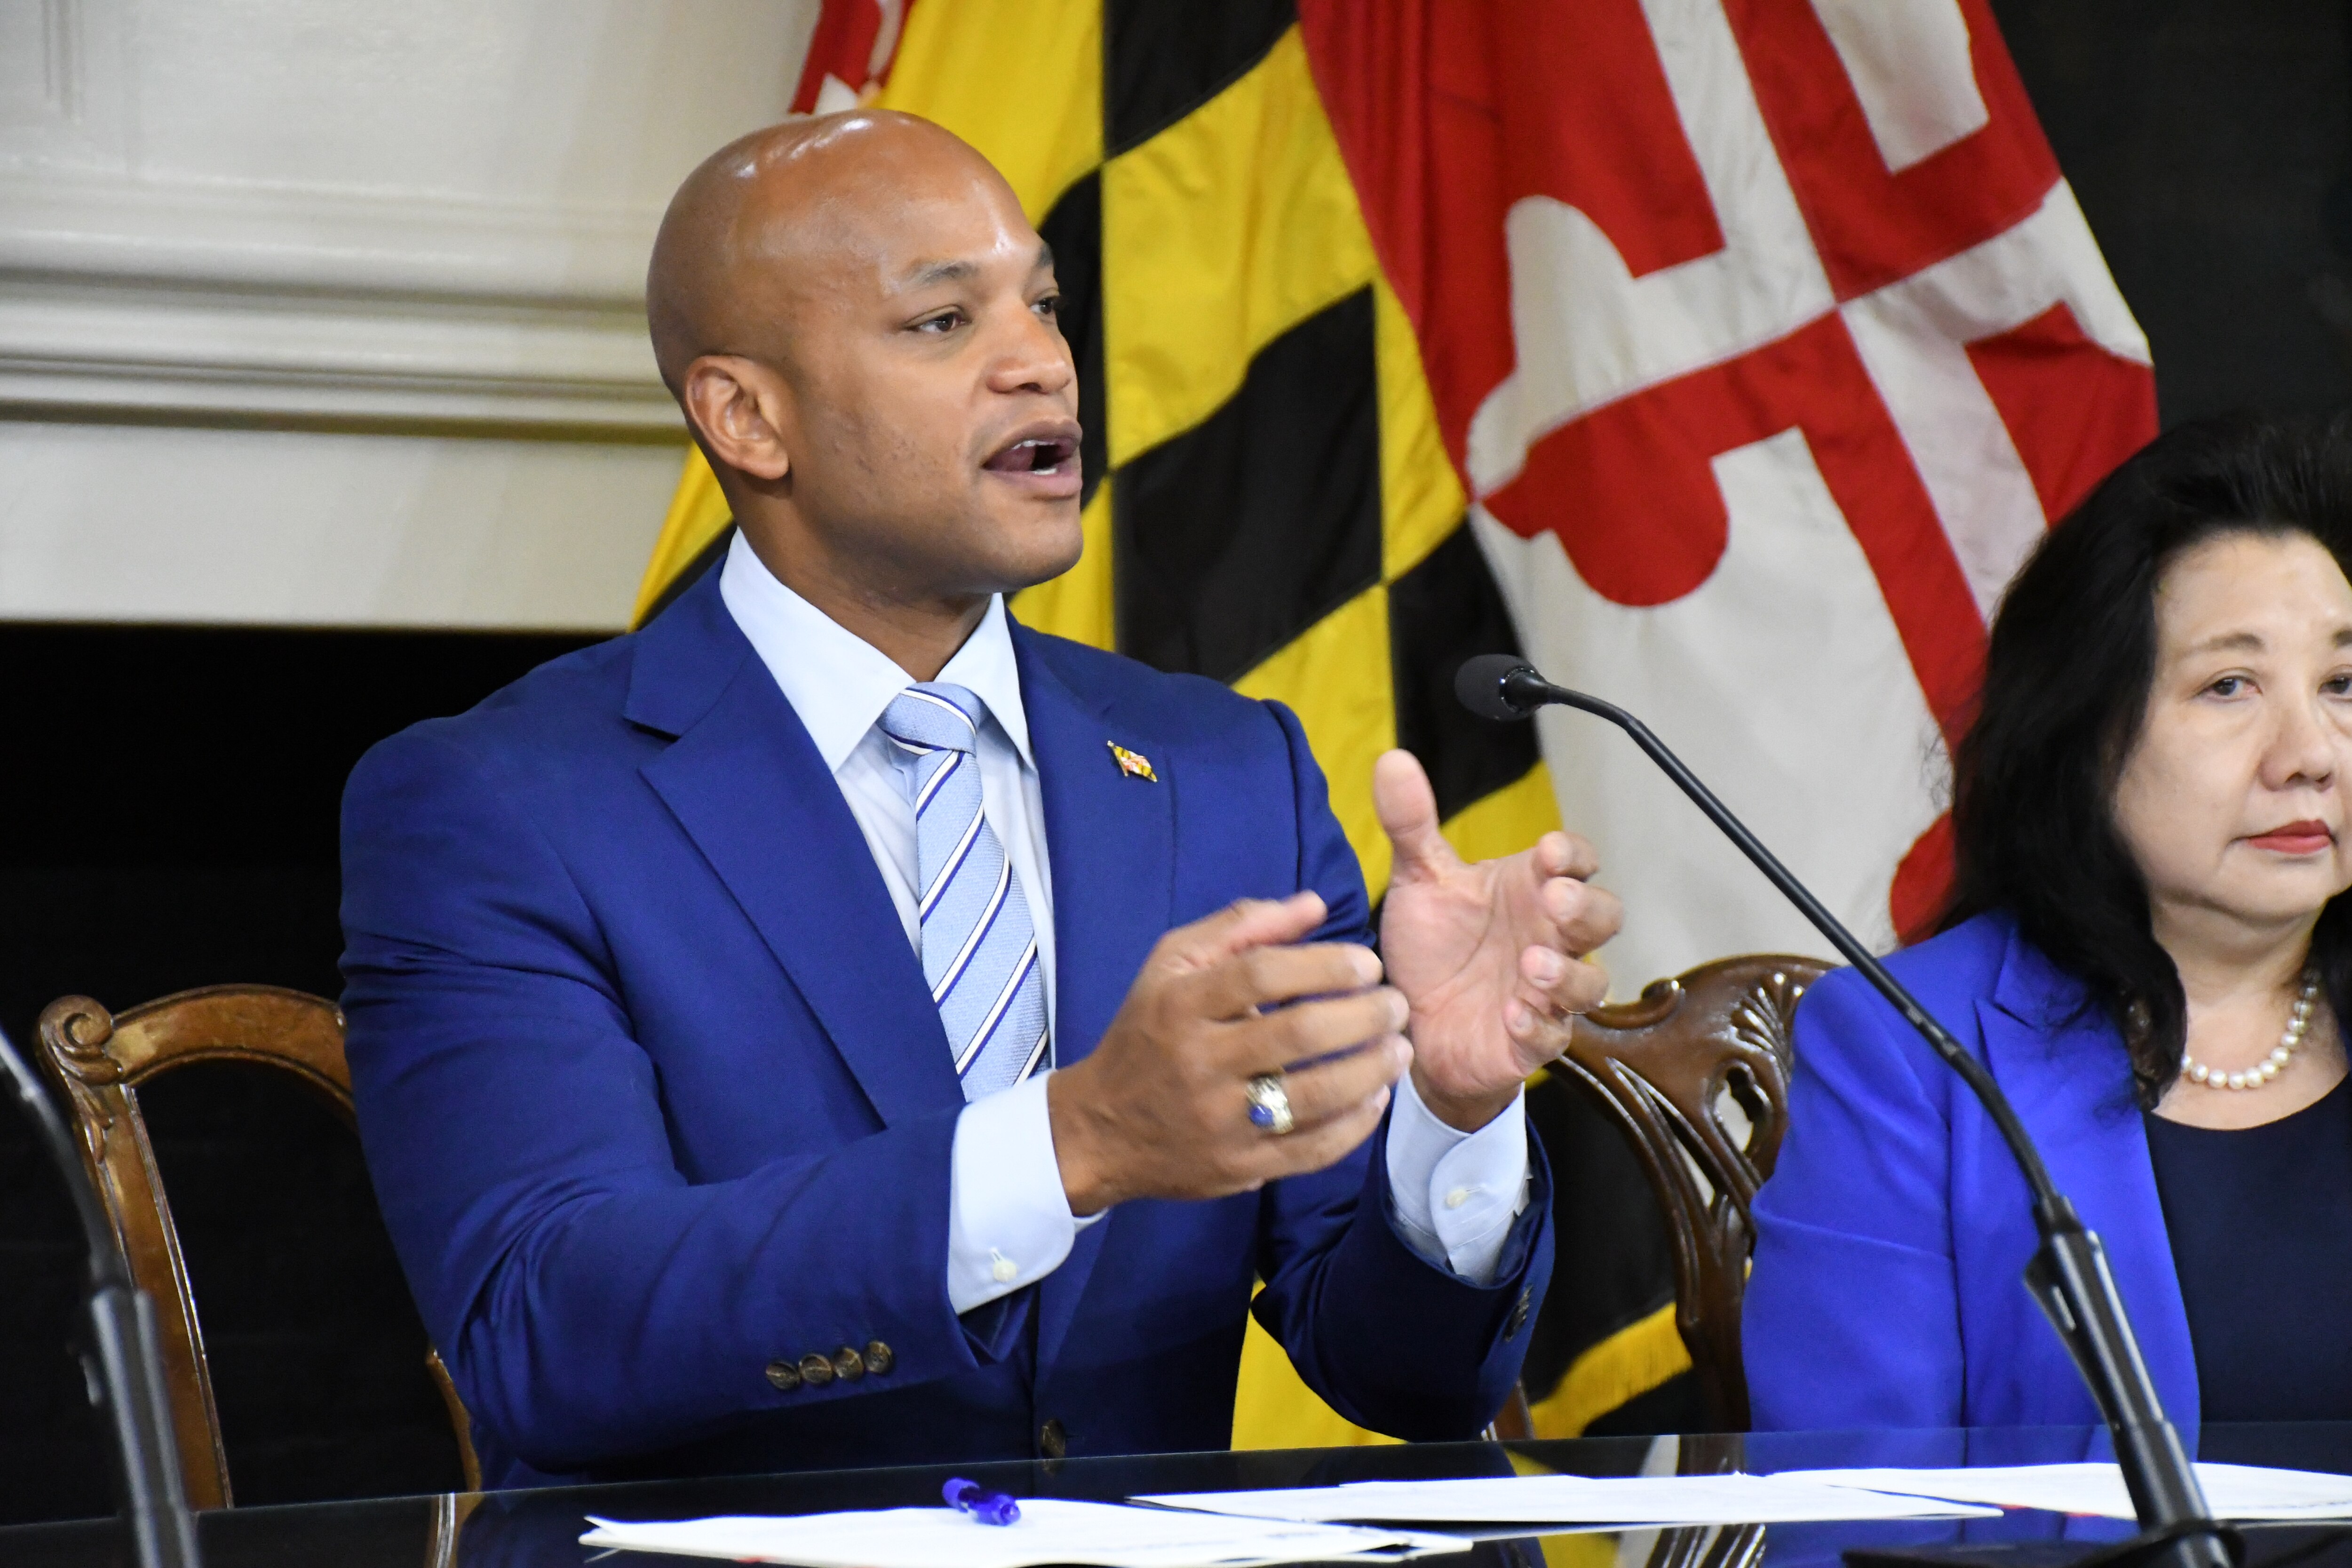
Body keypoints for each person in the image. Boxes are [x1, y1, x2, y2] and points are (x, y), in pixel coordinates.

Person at [338, 111, 1621, 1488]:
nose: (1043, 363)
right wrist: (1070, 1141)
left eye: (1047, 304)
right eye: (944, 321)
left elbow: (1405, 1376)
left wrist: (1452, 1111)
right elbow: (546, 1329)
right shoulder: (499, 803)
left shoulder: (1224, 769)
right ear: (746, 415)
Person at [1744, 414, 2352, 1431]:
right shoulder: (1907, 1048)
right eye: (2227, 685)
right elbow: (1857, 1507)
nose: (2309, 753)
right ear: (2083, 729)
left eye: (2342, 682)